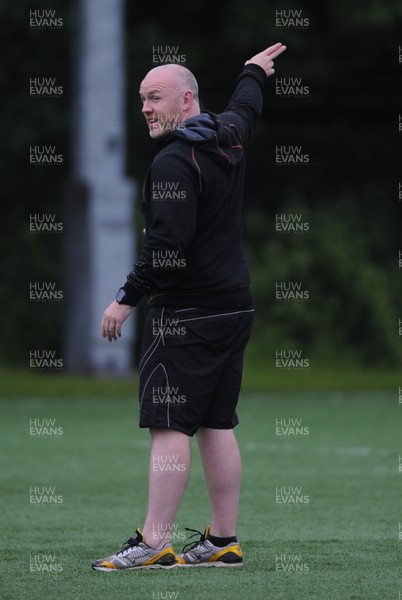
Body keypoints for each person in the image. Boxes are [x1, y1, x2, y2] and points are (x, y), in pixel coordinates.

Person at [92, 42, 287, 571]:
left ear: (187, 98)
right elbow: (247, 107)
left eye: (155, 98)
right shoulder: (229, 137)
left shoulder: (175, 162)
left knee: (171, 424)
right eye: (141, 100)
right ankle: (223, 541)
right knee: (216, 423)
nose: (146, 109)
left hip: (188, 317)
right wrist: (253, 71)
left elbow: (167, 251)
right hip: (234, 309)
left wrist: (124, 299)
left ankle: (154, 544)